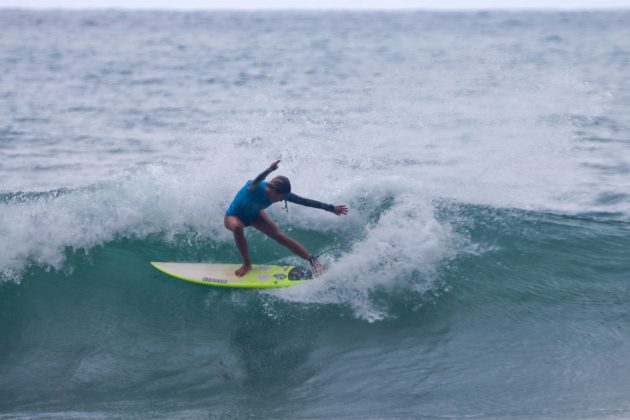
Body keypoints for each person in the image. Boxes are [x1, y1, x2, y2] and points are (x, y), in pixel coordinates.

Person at [224, 160, 348, 277]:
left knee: (279, 236)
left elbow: (305, 202)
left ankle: (313, 261)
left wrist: (331, 208)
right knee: (237, 226)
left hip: (254, 215)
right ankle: (247, 264)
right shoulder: (254, 188)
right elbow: (258, 179)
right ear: (274, 191)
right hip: (234, 215)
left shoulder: (281, 193)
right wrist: (269, 170)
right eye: (281, 197)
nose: (282, 200)